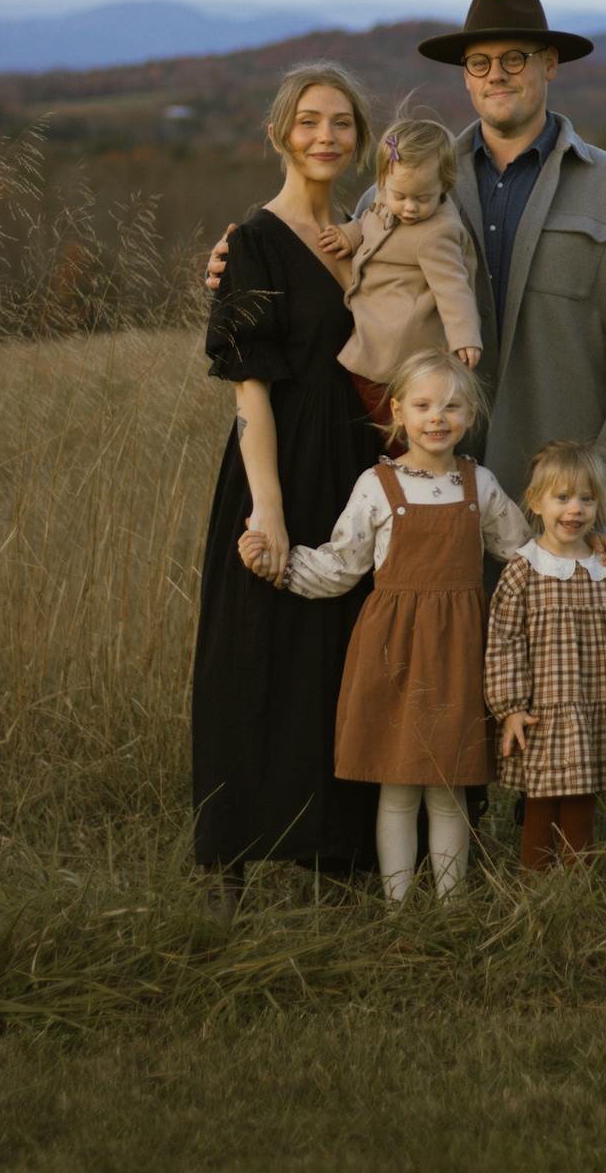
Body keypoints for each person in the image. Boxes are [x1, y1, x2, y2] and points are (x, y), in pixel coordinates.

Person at [209, 0, 606, 514]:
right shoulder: (400, 189)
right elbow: (326, 278)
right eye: (479, 62)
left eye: (514, 59)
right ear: (465, 76)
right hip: (425, 493)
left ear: (550, 64)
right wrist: (243, 262)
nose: (495, 74)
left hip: (556, 502)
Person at [240, 350, 529, 902]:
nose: (437, 417)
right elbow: (341, 565)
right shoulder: (377, 485)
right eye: (422, 405)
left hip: (461, 656)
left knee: (448, 789)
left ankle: (451, 909)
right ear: (397, 411)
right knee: (396, 789)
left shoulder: (479, 485)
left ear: (470, 414)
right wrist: (277, 566)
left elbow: (520, 555)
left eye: (451, 406)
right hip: (393, 654)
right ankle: (397, 908)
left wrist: (574, 556)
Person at [193, 60, 381, 901]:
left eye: (341, 123)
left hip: (360, 469)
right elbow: (250, 392)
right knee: (256, 656)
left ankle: (336, 855)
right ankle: (234, 857)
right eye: (309, 121)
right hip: (277, 466)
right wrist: (266, 508)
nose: (325, 137)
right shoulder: (253, 241)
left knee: (343, 657)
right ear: (280, 132)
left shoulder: (370, 235)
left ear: (360, 138)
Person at [484, 440, 606, 870]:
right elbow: (504, 642)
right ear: (536, 503)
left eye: (586, 498)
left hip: (596, 706)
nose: (574, 509)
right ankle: (535, 888)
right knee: (542, 801)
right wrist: (510, 708)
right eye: (562, 498)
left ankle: (577, 889)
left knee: (582, 800)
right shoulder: (524, 569)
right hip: (543, 711)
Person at [317, 114, 481, 440]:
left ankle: (400, 465)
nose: (408, 208)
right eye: (400, 196)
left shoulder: (437, 232)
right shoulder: (386, 197)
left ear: (443, 187)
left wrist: (465, 336)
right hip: (373, 324)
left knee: (391, 418)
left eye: (422, 199)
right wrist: (350, 235)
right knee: (355, 404)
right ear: (382, 181)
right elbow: (371, 221)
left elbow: (454, 288)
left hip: (399, 342)